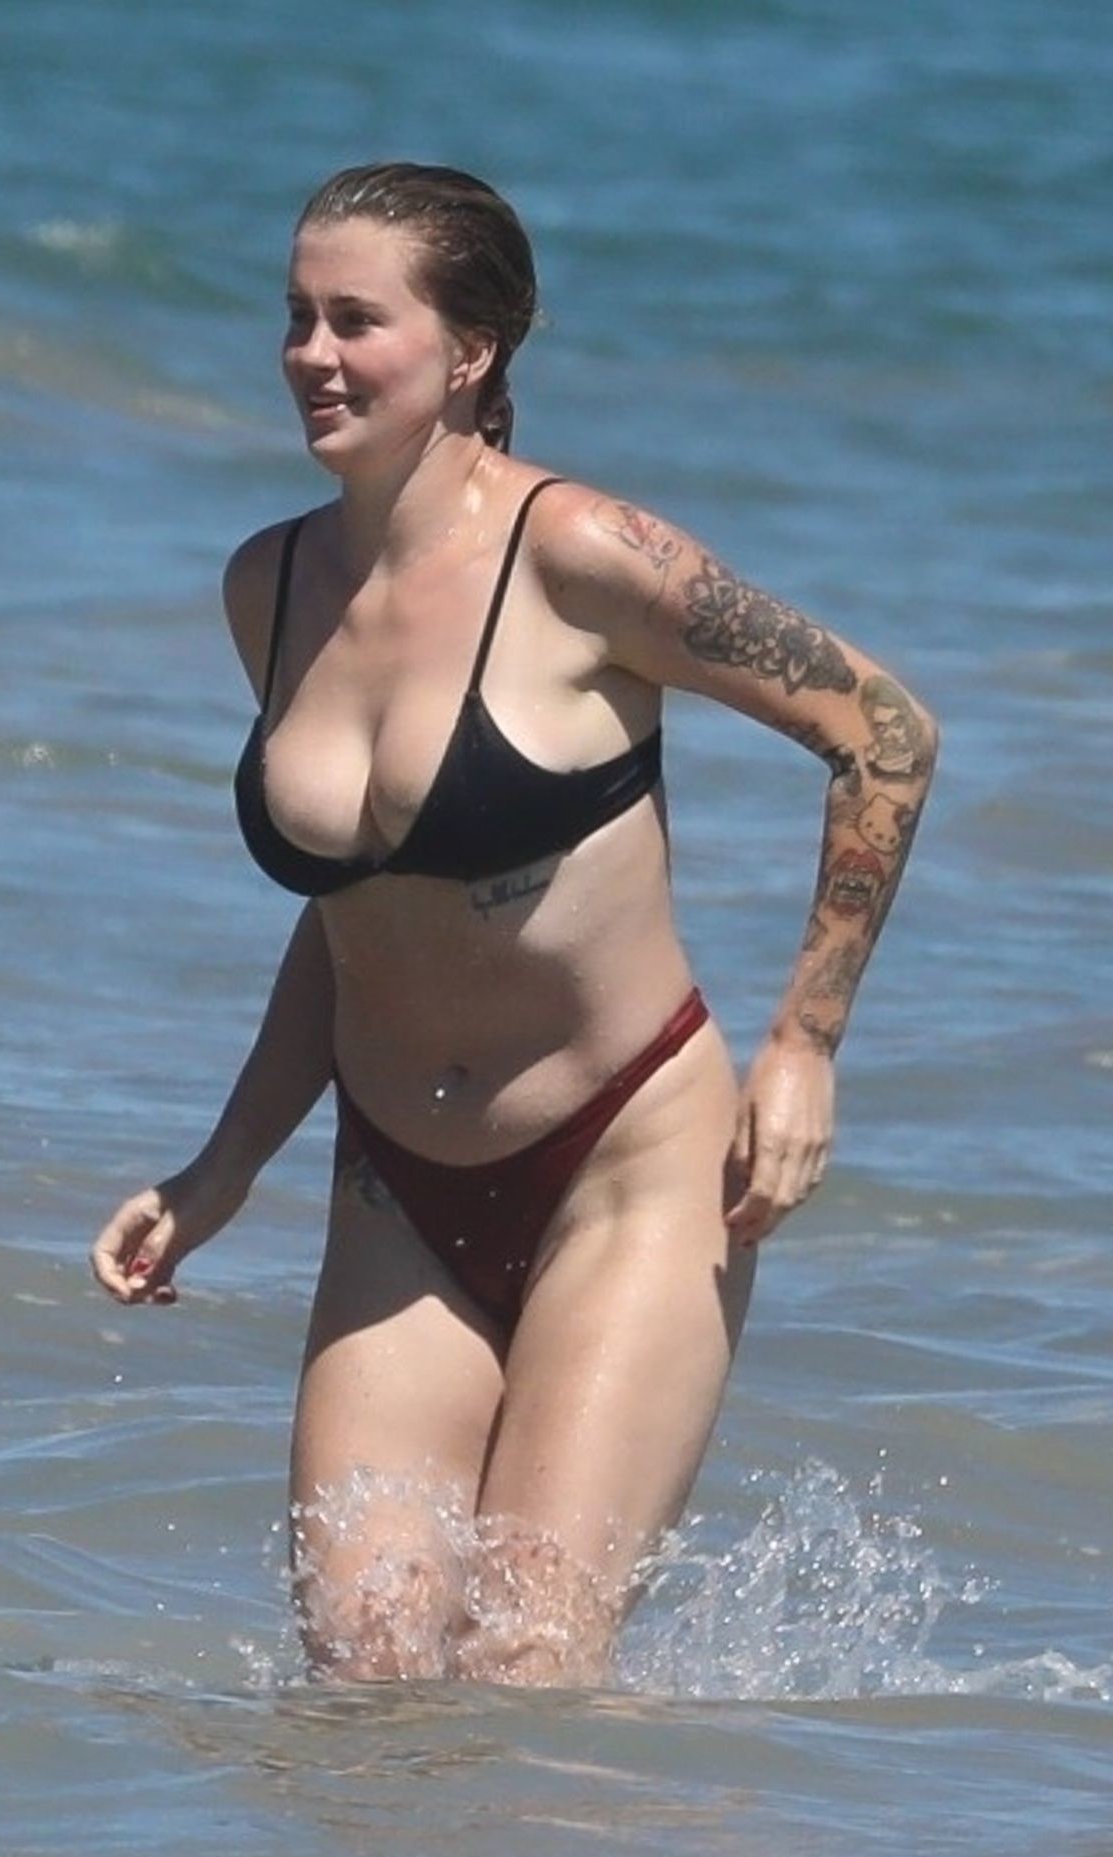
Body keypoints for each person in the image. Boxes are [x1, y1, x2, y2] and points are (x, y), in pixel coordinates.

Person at [91, 162, 938, 1687]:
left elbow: (883, 732)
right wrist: (221, 1171)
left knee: (524, 1672)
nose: (312, 355)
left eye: (358, 320)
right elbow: (357, 915)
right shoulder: (271, 586)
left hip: (627, 1167)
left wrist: (806, 1044)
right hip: (394, 1190)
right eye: (296, 317)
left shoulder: (584, 557)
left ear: (471, 350)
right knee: (363, 1679)